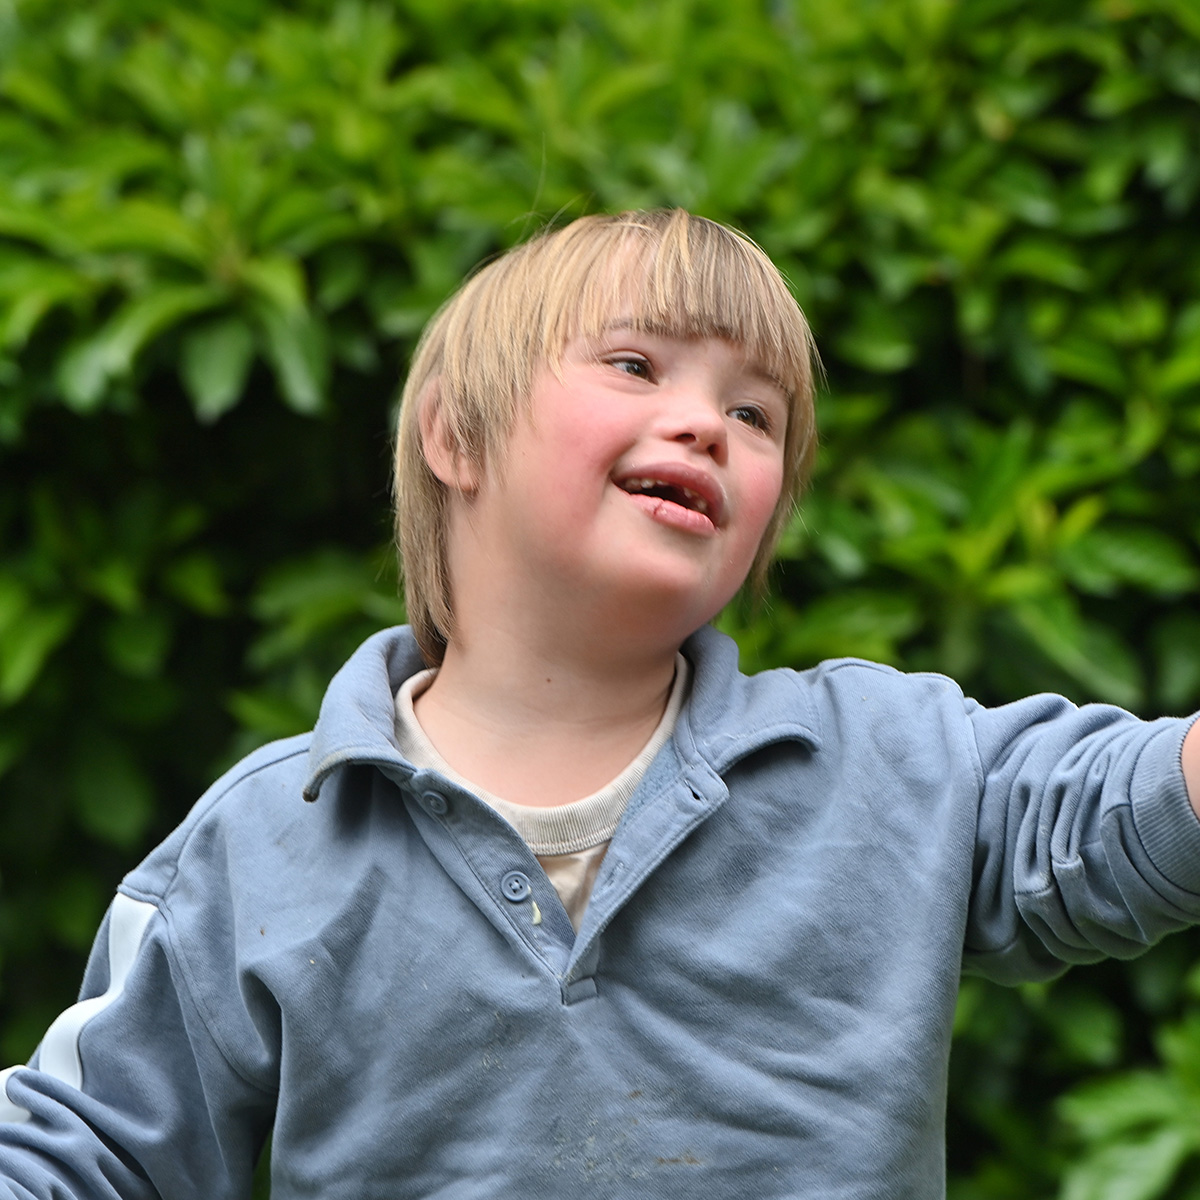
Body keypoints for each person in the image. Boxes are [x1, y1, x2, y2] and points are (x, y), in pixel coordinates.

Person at [1, 209, 1198, 1199]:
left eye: (757, 414)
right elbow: (86, 1150)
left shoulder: (892, 760)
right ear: (455, 437)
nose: (705, 424)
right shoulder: (265, 842)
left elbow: (1130, 815)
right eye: (636, 365)